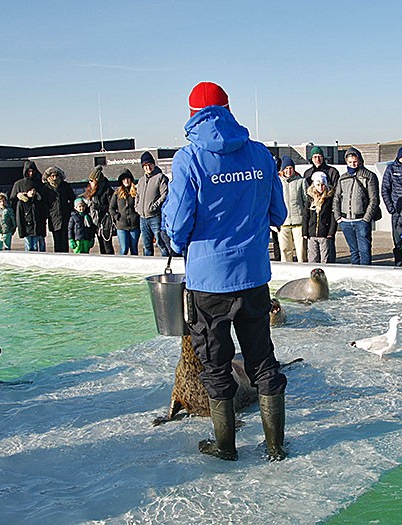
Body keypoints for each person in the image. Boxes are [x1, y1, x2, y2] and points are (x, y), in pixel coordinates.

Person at [162, 81, 288, 461]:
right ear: (229, 109)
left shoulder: (190, 158)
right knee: (262, 359)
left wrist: (178, 242)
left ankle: (226, 446)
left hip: (209, 282)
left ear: (191, 115)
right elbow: (278, 214)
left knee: (215, 365)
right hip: (253, 276)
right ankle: (275, 447)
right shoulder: (261, 154)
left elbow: (177, 223)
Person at [333, 147, 380, 265]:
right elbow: (337, 197)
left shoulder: (369, 176)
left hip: (361, 220)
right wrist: (338, 217)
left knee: (364, 251)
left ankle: (365, 273)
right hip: (346, 221)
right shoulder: (343, 178)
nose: (353, 164)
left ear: (359, 160)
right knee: (353, 251)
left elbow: (374, 199)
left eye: (355, 161)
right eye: (350, 162)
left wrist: (366, 219)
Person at [303, 146, 340, 261]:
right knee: (312, 252)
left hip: (327, 208)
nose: (317, 159)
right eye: (315, 157)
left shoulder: (332, 171)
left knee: (327, 250)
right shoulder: (308, 173)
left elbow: (337, 191)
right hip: (313, 216)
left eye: (319, 156)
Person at [135, 151, 170, 257]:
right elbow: (137, 195)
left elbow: (164, 194)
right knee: (146, 245)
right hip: (142, 218)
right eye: (145, 166)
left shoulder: (160, 178)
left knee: (161, 243)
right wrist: (137, 207)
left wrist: (154, 206)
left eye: (149, 164)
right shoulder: (141, 181)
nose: (147, 167)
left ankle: (166, 264)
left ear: (153, 164)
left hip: (155, 217)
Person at [302, 171, 337, 263]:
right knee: (312, 256)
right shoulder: (310, 198)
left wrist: (331, 232)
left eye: (322, 185)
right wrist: (305, 231)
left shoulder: (329, 198)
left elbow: (333, 216)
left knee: (325, 256)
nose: (320, 187)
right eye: (318, 185)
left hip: (324, 232)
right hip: (312, 232)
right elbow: (306, 215)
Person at [278, 155, 307, 262]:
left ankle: (303, 268)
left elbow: (306, 200)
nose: (289, 171)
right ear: (282, 170)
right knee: (285, 249)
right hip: (283, 222)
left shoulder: (301, 181)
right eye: (286, 169)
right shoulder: (278, 182)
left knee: (301, 250)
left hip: (298, 221)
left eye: (291, 168)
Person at [42, 166, 75, 253]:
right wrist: (47, 213)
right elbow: (44, 203)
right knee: (56, 240)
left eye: (56, 175)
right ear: (48, 177)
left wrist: (69, 209)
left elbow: (72, 198)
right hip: (53, 217)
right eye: (52, 176)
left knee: (65, 239)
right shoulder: (46, 188)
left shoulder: (65, 186)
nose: (55, 178)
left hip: (65, 216)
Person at [83, 166, 116, 255]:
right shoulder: (91, 191)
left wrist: (97, 206)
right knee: (101, 245)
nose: (90, 183)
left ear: (97, 181)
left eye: (91, 181)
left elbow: (110, 206)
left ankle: (110, 262)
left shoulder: (107, 191)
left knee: (107, 245)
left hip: (105, 222)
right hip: (96, 221)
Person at [109, 169, 141, 255]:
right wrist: (116, 216)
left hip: (134, 226)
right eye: (124, 179)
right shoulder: (117, 193)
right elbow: (111, 208)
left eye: (128, 179)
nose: (126, 181)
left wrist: (137, 216)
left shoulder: (136, 192)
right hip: (122, 226)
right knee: (124, 248)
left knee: (134, 249)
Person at [15, 179, 47, 252]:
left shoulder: (38, 201)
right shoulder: (21, 203)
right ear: (26, 191)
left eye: (34, 190)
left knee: (38, 246)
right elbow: (19, 218)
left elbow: (42, 216)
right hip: (27, 229)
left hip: (38, 229)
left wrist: (43, 230)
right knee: (29, 247)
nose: (32, 192)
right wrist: (21, 232)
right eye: (30, 190)